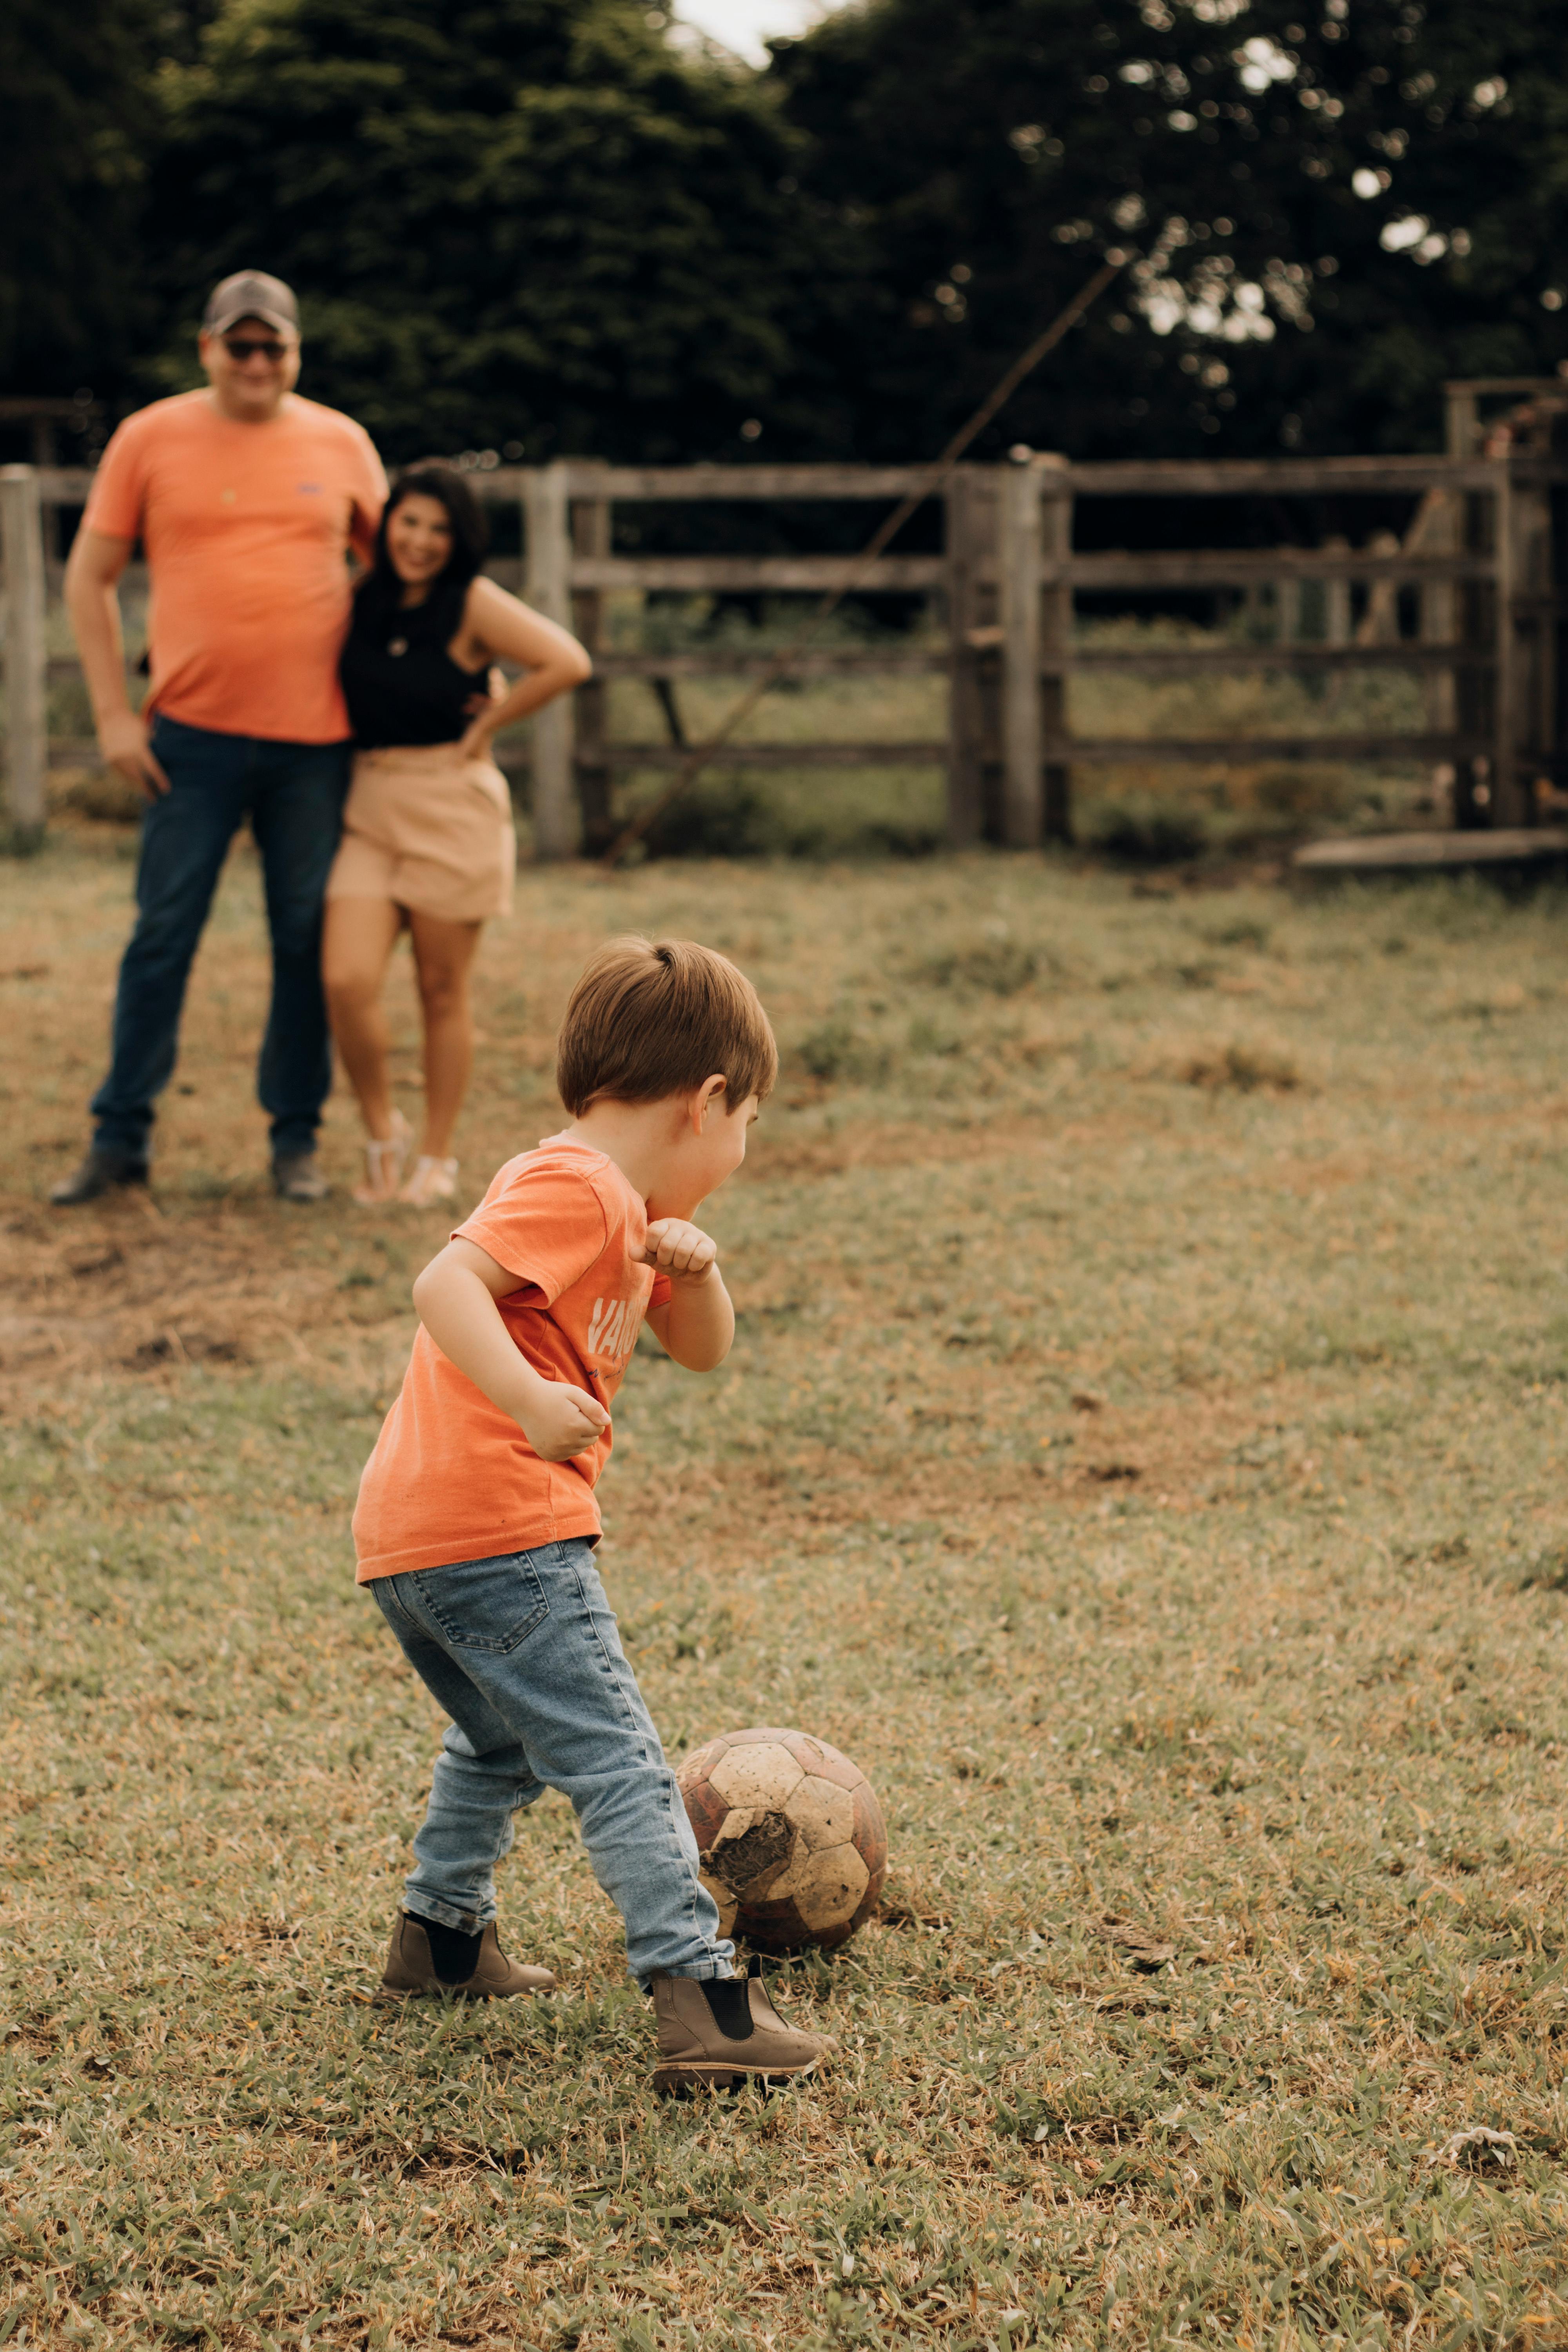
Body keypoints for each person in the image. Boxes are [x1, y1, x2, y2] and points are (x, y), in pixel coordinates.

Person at [354, 938, 830, 2092]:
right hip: (505, 1526)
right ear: (708, 1101)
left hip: (417, 1540)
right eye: (749, 1120)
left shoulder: (629, 1211)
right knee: (620, 1761)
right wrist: (526, 1398)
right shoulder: (575, 1185)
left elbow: (703, 1353)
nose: (743, 1148)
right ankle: (699, 2001)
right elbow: (443, 1284)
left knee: (502, 1742)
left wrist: (697, 1270)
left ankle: (443, 1941)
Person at [53, 270, 387, 1207]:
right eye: (237, 345)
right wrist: (116, 717)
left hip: (316, 744)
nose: (254, 362)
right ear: (207, 349)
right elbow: (88, 580)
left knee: (303, 938)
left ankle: (295, 1140)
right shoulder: (149, 437)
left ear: (295, 353)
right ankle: (120, 1137)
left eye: (271, 346)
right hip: (186, 741)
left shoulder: (343, 442)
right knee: (162, 934)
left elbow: (403, 574)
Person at [323, 466, 590, 1207]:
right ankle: (384, 1131)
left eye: (440, 530)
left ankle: (436, 1158)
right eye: (409, 523)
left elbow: (567, 660)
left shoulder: (470, 602)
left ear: (459, 540)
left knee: (441, 989)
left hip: (450, 803)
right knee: (346, 979)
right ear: (386, 526)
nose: (420, 541)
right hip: (369, 802)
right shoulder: (360, 597)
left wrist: (487, 725)